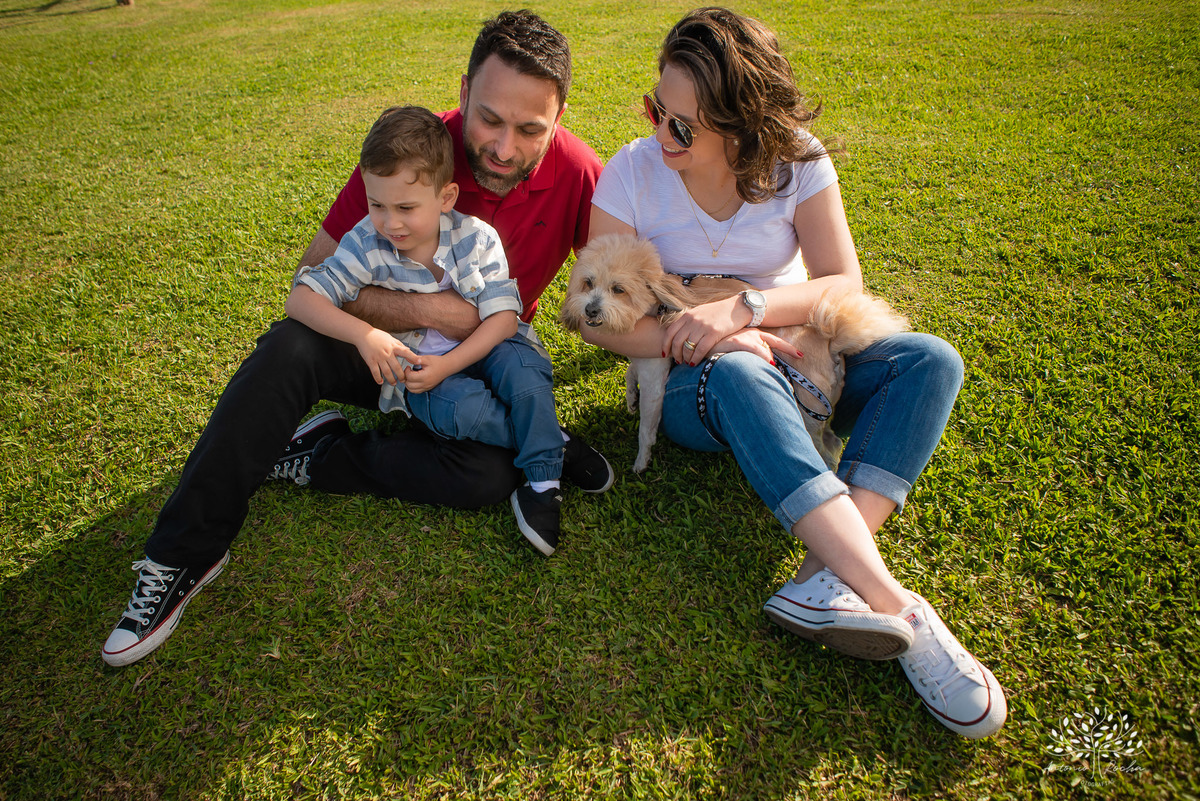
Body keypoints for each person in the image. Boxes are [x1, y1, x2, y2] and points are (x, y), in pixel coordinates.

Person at [102, 10, 613, 668]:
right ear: (462, 94)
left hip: (467, 367)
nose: (504, 148)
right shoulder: (413, 153)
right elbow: (311, 277)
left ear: (561, 115)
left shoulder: (578, 172)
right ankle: (182, 554)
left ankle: (319, 456)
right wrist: (432, 311)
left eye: (529, 128)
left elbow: (615, 285)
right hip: (378, 349)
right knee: (290, 347)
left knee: (488, 476)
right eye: (489, 118)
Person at [581, 7, 1006, 738]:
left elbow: (842, 279)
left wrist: (743, 309)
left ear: (741, 124)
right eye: (656, 110)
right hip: (698, 380)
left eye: (682, 125)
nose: (660, 134)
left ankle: (820, 575)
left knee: (931, 361)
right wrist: (716, 340)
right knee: (747, 379)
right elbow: (591, 315)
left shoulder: (797, 161)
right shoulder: (630, 173)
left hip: (802, 352)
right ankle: (897, 604)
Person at [288, 104, 567, 554]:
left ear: (446, 198)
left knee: (525, 375)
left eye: (405, 207)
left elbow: (501, 319)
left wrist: (451, 362)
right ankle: (553, 449)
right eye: (376, 204)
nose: (390, 222)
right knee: (467, 411)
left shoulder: (476, 237)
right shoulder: (366, 242)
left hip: (489, 345)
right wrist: (366, 334)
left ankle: (542, 483)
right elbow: (299, 297)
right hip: (422, 372)